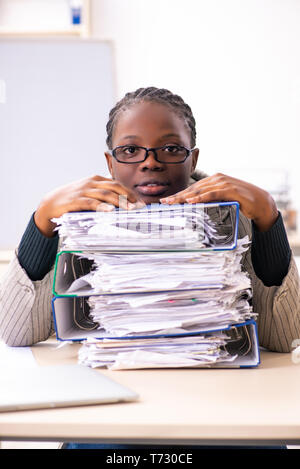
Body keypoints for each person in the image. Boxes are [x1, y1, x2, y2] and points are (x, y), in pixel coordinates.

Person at [0, 86, 298, 450]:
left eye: (171, 149)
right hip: (116, 402)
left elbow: (285, 339)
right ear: (110, 163)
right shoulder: (80, 225)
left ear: (193, 157)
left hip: (222, 402)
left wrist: (268, 217)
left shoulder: (234, 219)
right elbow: (17, 333)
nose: (150, 162)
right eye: (129, 150)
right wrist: (42, 220)